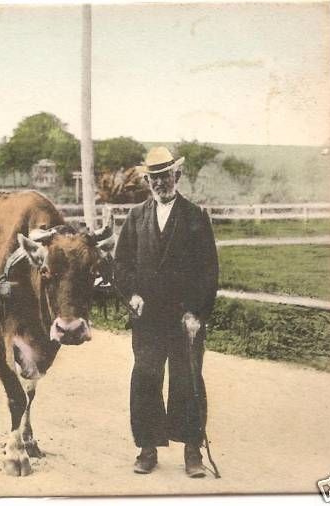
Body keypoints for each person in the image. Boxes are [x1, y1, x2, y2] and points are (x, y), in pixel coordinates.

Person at [113, 146, 219, 478]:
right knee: (145, 377)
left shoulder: (195, 216)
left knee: (187, 380)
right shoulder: (136, 217)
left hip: (184, 318)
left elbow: (208, 270)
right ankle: (147, 448)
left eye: (165, 176)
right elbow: (121, 265)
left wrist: (196, 313)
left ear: (178, 176)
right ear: (148, 182)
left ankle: (192, 452)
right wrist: (132, 293)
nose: (160, 183)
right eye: (154, 178)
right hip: (148, 319)